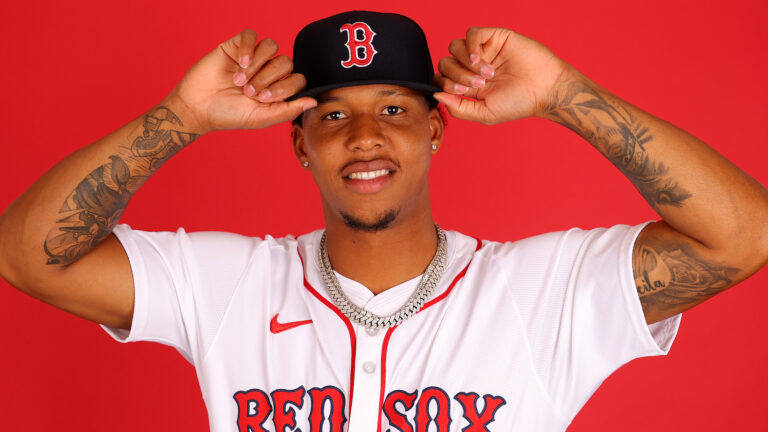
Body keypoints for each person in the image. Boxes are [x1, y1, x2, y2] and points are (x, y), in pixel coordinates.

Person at [0, 9, 766, 431]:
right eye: (333, 114)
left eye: (395, 110)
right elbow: (30, 257)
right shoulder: (229, 283)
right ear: (299, 144)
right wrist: (180, 116)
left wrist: (566, 93)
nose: (365, 137)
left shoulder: (541, 295)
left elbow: (743, 237)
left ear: (436, 128)